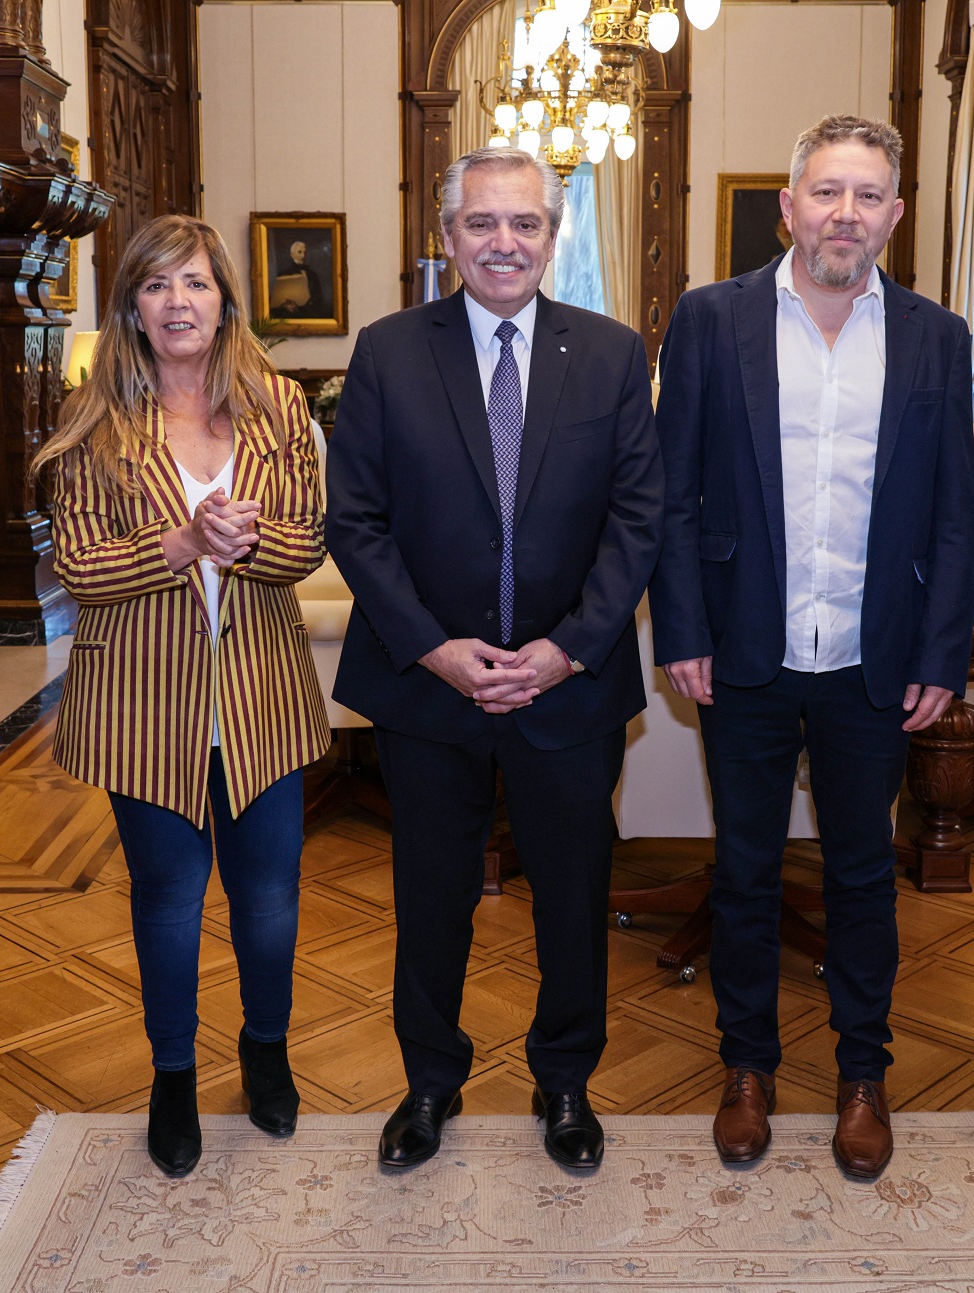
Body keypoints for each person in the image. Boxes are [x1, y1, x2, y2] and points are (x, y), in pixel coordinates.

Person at [648, 115, 974, 1178]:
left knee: (860, 877)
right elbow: (673, 493)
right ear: (787, 208)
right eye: (825, 192)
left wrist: (942, 651)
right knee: (742, 874)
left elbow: (946, 512)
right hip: (743, 648)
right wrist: (684, 627)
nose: (845, 213)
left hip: (873, 658)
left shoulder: (934, 336)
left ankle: (860, 1076)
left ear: (892, 212)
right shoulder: (710, 320)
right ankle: (745, 1070)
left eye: (866, 195)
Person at [327, 145, 662, 1172]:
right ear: (446, 237)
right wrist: (430, 648)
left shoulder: (608, 354)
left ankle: (564, 1083)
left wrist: (565, 650)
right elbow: (357, 521)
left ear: (551, 237)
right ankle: (428, 1082)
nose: (502, 242)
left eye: (523, 224)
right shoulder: (386, 353)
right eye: (481, 224)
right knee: (429, 899)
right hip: (429, 691)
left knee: (571, 896)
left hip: (569, 687)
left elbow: (636, 520)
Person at [35, 214, 330, 1177]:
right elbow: (79, 567)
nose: (178, 303)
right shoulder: (96, 421)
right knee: (167, 900)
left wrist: (248, 543)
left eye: (196, 284)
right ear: (131, 306)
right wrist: (185, 543)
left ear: (224, 299)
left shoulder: (279, 405)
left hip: (262, 697)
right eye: (157, 286)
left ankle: (267, 1051)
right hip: (142, 702)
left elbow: (309, 541)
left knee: (271, 899)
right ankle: (171, 1077)